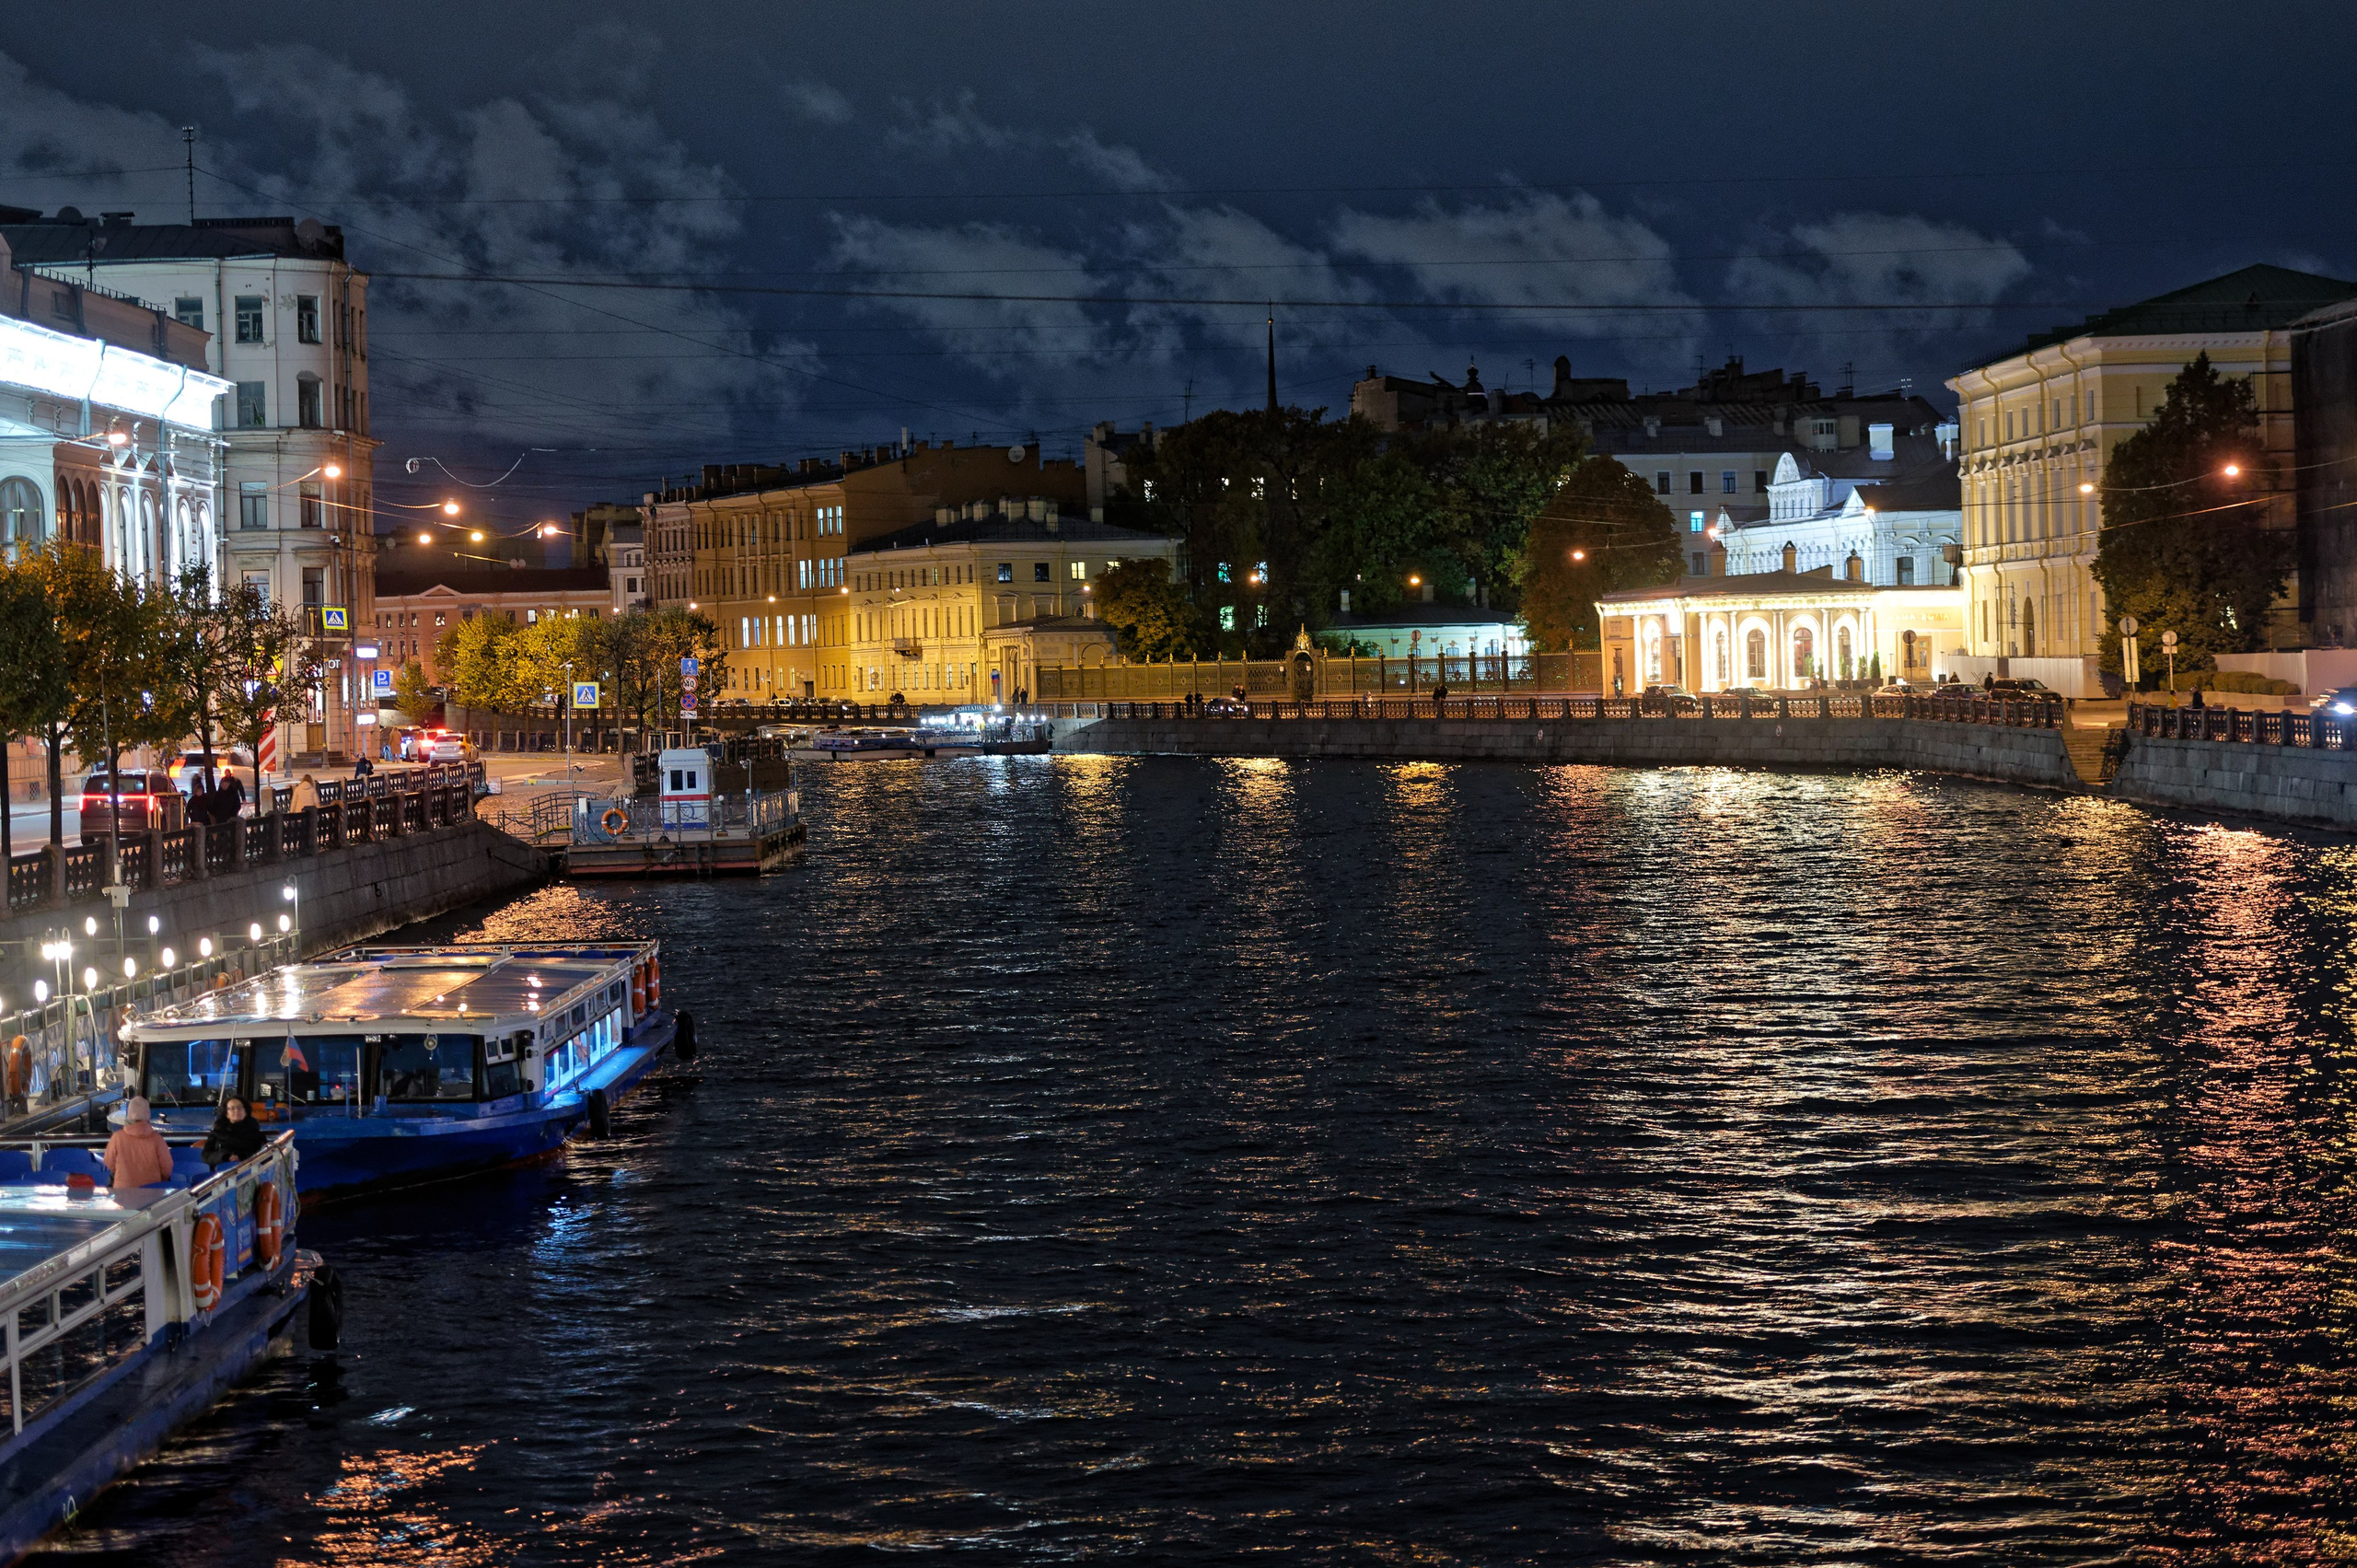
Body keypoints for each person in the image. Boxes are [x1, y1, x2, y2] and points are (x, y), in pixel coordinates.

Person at [102, 1097, 175, 1189]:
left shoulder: (117, 1138)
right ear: (148, 1114)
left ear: (128, 1114)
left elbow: (108, 1162)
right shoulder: (157, 1139)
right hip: (153, 1193)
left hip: (123, 1194)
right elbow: (167, 1167)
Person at [201, 1096, 266, 1167]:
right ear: (227, 1114)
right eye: (232, 1108)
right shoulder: (217, 1133)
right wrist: (225, 1157)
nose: (236, 1110)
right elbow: (206, 1155)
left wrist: (242, 1157)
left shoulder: (256, 1134)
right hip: (222, 1171)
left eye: (239, 1107)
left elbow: (264, 1153)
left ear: (246, 1112)